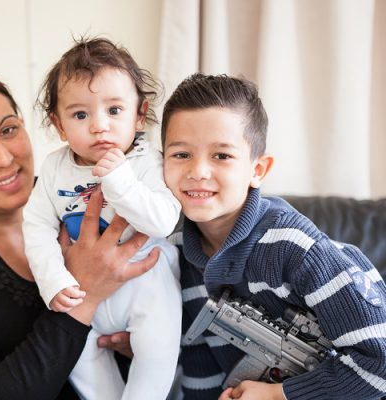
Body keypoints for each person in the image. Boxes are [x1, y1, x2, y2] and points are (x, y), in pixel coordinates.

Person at [0, 65, 159, 400]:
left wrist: (153, 346)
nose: (4, 158)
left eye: (7, 130)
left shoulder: (87, 194)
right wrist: (85, 297)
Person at [160, 73, 386, 399]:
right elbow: (200, 361)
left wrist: (279, 395)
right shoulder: (174, 254)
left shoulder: (296, 249)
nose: (198, 172)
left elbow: (380, 364)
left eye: (221, 155)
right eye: (181, 154)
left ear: (258, 170)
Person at [22, 38, 182, 400]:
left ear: (139, 114)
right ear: (59, 125)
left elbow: (162, 222)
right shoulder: (53, 169)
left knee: (158, 348)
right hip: (81, 291)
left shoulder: (145, 161)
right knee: (77, 357)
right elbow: (36, 227)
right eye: (80, 115)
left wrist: (119, 181)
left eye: (114, 110)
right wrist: (53, 280)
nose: (99, 126)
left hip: (146, 282)